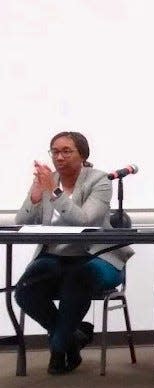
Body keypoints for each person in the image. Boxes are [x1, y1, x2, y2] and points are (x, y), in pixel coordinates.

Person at [14, 131, 134, 374]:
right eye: (55, 151)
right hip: (56, 256)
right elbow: (22, 221)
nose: (60, 157)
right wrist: (36, 195)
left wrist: (55, 193)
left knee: (77, 280)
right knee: (25, 290)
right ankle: (71, 339)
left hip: (97, 257)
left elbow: (84, 221)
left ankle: (58, 348)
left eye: (66, 151)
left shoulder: (98, 181)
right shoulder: (48, 179)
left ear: (83, 154)